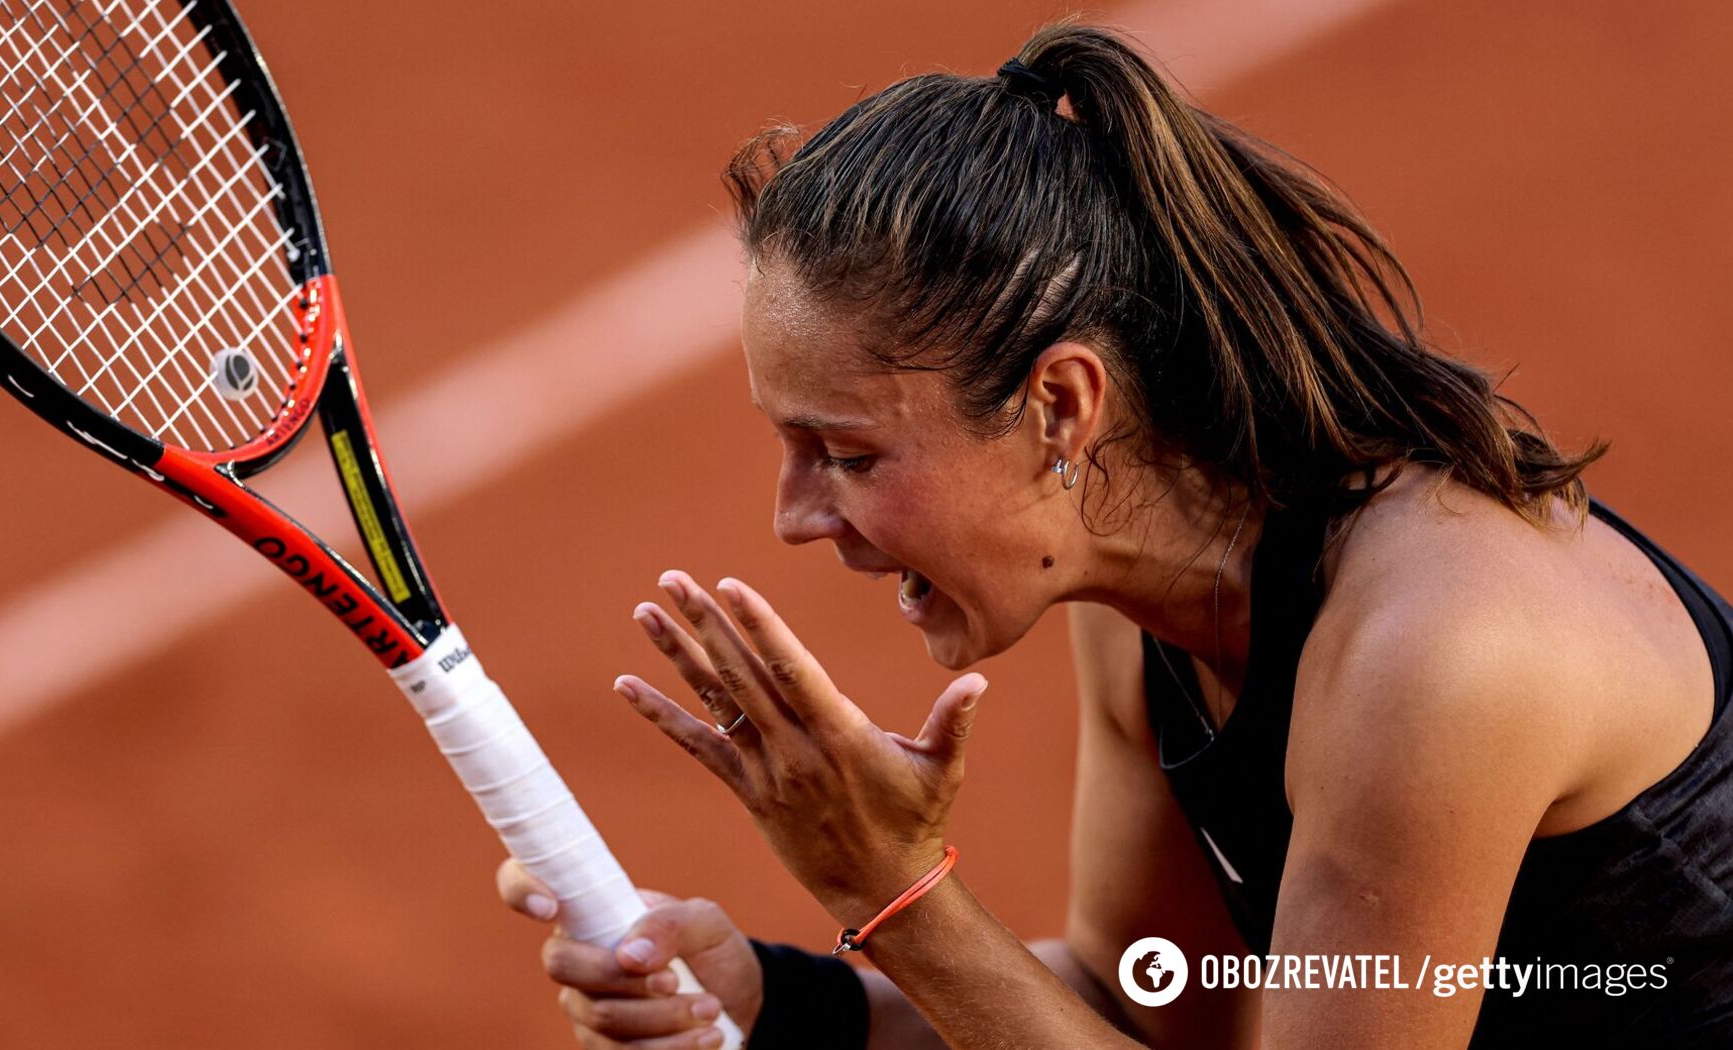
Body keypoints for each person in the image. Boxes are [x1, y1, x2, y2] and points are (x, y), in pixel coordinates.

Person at [497, 19, 1733, 1049]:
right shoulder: (1156, 588)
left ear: (1062, 406)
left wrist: (898, 893)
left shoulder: (1436, 654)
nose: (794, 516)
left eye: (851, 454)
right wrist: (783, 1003)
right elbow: (1147, 1005)